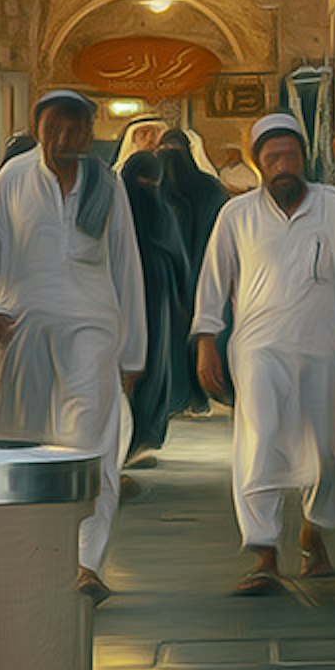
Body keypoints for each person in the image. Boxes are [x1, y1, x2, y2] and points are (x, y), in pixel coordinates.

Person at [0, 91, 148, 595]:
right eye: (53, 128)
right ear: (37, 128)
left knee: (89, 444)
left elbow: (127, 267)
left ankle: (85, 562)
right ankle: (24, 556)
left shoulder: (107, 186)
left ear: (89, 133)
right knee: (19, 439)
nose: (63, 138)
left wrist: (133, 353)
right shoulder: (11, 181)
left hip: (92, 329)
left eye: (73, 129)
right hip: (22, 333)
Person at [191, 113, 335, 595]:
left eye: (290, 156)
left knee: (323, 450)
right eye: (272, 157)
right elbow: (213, 283)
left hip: (327, 349)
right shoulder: (236, 217)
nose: (283, 166)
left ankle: (312, 532)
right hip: (260, 351)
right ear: (258, 163)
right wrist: (206, 343)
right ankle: (262, 554)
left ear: (304, 158)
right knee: (259, 445)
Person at [118, 124, 202, 466]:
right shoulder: (117, 214)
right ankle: (128, 439)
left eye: (153, 183)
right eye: (143, 182)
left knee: (154, 364)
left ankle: (145, 435)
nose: (148, 189)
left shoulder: (158, 209)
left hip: (159, 296)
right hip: (131, 297)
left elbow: (177, 254)